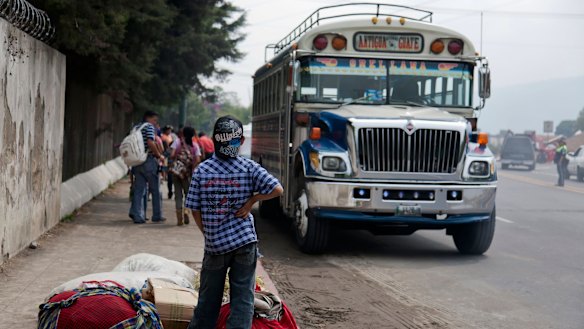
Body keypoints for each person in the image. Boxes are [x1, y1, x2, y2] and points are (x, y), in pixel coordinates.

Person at [185, 116, 283, 329]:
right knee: (243, 300)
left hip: (215, 246)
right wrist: (252, 201)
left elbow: (194, 208)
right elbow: (277, 189)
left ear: (215, 140)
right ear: (241, 141)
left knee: (208, 300)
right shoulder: (249, 167)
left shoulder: (203, 170)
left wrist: (208, 233)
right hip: (245, 244)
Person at [128, 111, 166, 224]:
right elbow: (150, 141)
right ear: (148, 118)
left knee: (139, 190)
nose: (155, 123)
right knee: (155, 189)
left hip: (137, 161)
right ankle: (157, 215)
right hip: (148, 160)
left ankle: (137, 216)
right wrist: (159, 155)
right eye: (154, 120)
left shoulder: (136, 127)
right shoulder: (149, 127)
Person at [170, 126, 201, 226]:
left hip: (177, 171)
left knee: (178, 195)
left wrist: (177, 161)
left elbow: (172, 154)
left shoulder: (177, 142)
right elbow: (198, 159)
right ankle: (186, 211)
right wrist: (192, 167)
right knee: (188, 194)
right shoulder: (195, 145)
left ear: (183, 133)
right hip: (187, 173)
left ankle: (179, 218)